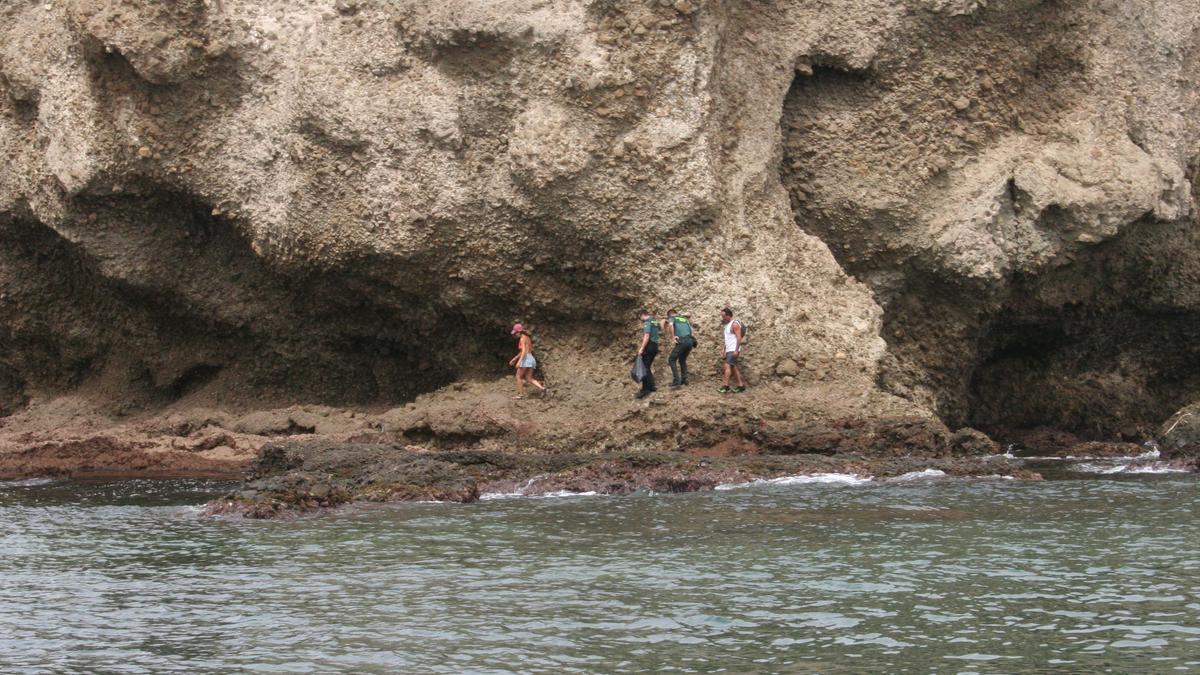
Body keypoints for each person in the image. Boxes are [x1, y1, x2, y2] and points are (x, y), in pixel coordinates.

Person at [508, 323, 546, 399]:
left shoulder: (522, 339)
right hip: (531, 359)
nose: (515, 335)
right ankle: (542, 388)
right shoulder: (527, 338)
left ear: (519, 332)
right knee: (529, 378)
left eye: (515, 333)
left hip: (526, 359)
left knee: (518, 376)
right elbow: (523, 351)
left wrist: (519, 362)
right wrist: (514, 359)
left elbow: (524, 351)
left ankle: (520, 395)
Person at [664, 309, 696, 387]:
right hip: (690, 341)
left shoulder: (672, 317)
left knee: (671, 359)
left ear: (670, 314)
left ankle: (676, 381)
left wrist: (673, 337)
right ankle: (684, 379)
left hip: (682, 340)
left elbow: (671, 325)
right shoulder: (685, 319)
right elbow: (691, 330)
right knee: (682, 360)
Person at [718, 307, 746, 393]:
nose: (722, 318)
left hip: (734, 349)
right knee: (733, 367)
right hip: (729, 349)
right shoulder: (727, 326)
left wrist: (736, 350)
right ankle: (741, 386)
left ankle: (725, 386)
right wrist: (724, 349)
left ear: (728, 315)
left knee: (727, 366)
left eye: (723, 316)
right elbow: (727, 339)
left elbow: (739, 337)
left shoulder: (734, 324)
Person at [635, 309, 660, 399]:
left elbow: (646, 336)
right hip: (655, 346)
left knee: (645, 368)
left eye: (640, 317)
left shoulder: (647, 322)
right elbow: (660, 329)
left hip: (649, 346)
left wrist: (641, 348)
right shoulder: (655, 321)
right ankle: (652, 386)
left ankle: (645, 389)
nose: (640, 319)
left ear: (642, 315)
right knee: (647, 367)